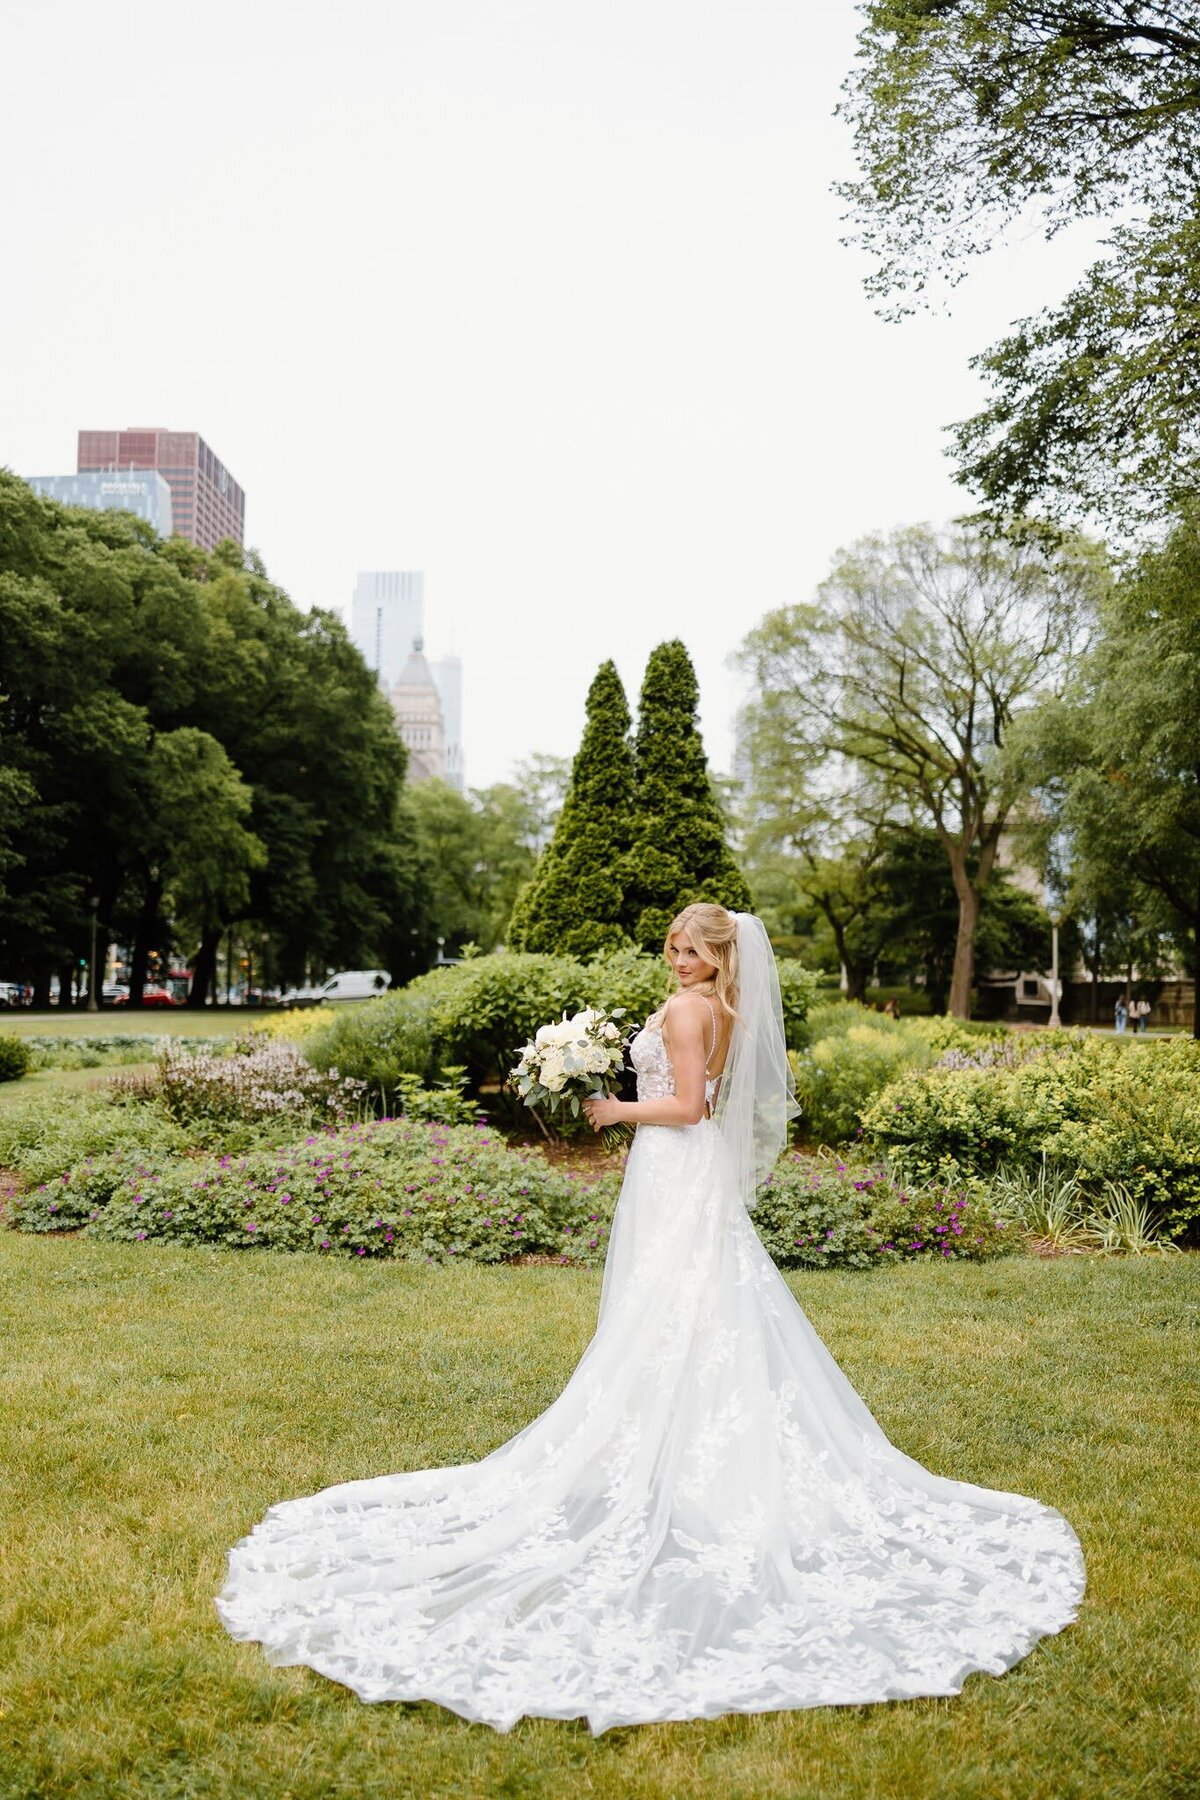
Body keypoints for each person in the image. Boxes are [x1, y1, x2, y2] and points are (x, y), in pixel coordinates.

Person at [216, 903, 1084, 1733]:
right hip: (681, 1173)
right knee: (690, 1304)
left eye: (691, 950)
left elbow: (688, 1106)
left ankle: (668, 1457)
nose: (677, 961)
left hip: (673, 1161)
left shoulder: (684, 1010)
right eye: (672, 948)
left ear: (718, 955)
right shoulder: (720, 1007)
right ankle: (661, 1436)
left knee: (672, 1303)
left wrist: (612, 1107)